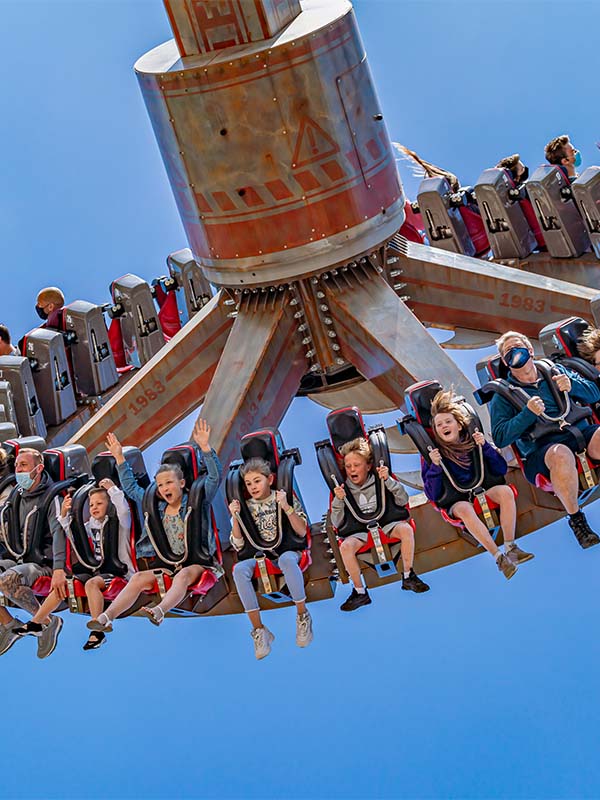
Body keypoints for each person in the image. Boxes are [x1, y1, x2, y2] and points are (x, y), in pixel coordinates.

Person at [86, 418, 221, 634]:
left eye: (169, 483)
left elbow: (214, 477)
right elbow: (132, 489)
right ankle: (106, 617)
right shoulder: (156, 507)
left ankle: (159, 611)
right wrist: (119, 458)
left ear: (182, 483)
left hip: (198, 563)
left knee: (183, 575)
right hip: (168, 564)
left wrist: (205, 448)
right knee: (138, 578)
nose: (165, 488)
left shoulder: (197, 500)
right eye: (160, 485)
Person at [490, 331, 600, 548]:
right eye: (508, 351)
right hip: (542, 451)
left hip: (579, 434)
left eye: (518, 346)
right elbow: (501, 437)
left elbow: (595, 393)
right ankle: (577, 520)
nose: (514, 352)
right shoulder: (502, 396)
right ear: (504, 361)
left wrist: (573, 385)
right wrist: (527, 414)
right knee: (561, 454)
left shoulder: (555, 370)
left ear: (530, 350)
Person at [422, 389, 533, 580]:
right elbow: (432, 494)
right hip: (458, 500)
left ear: (459, 425)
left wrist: (485, 447)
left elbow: (500, 469)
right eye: (439, 425)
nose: (444, 426)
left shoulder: (474, 442)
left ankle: (510, 547)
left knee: (505, 492)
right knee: (465, 508)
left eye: (448, 422)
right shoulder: (433, 455)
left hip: (484, 488)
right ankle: (498, 558)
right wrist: (435, 466)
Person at [13, 481, 134, 652]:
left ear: (109, 505)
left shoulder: (121, 523)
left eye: (99, 503)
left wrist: (112, 489)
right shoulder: (91, 525)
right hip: (96, 571)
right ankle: (37, 622)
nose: (94, 507)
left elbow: (124, 510)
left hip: (118, 573)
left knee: (91, 584)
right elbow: (71, 531)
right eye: (91, 504)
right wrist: (64, 513)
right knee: (66, 584)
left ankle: (97, 631)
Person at [331, 437, 429, 612]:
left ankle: (408, 576)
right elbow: (336, 522)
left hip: (387, 524)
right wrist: (338, 500)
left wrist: (388, 481)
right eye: (348, 466)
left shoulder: (380, 479)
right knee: (345, 547)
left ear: (368, 466)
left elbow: (403, 500)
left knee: (406, 530)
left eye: (356, 465)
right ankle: (359, 591)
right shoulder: (342, 490)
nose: (352, 470)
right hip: (359, 532)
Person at [229, 457, 312, 660]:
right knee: (239, 570)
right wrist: (236, 518)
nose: (253, 487)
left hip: (288, 551)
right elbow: (238, 544)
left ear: (270, 479)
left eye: (257, 481)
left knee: (286, 561)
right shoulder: (245, 507)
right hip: (259, 555)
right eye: (249, 483)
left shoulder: (282, 497)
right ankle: (259, 630)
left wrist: (285, 506)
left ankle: (302, 615)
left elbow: (302, 531)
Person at [0, 448, 65, 658]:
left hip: (43, 563)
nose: (19, 470)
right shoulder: (16, 495)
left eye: (24, 465)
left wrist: (59, 570)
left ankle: (47, 622)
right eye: (17, 466)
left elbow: (59, 533)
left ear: (39, 468)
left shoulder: (51, 497)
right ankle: (8, 624)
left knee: (7, 580)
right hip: (19, 557)